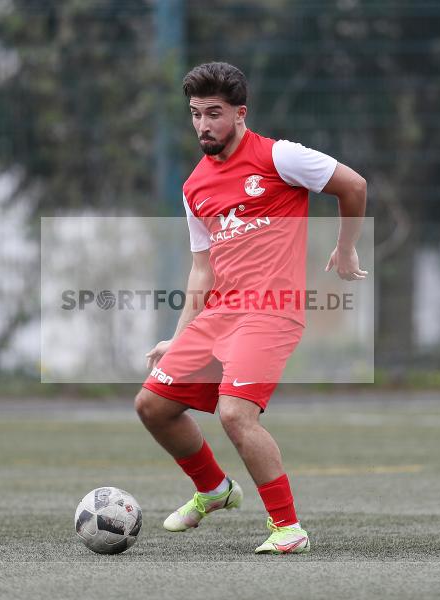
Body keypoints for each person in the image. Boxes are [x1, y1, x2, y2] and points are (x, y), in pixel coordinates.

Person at [134, 62, 367, 554]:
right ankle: (215, 489)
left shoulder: (280, 156)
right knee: (152, 405)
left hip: (272, 311)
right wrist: (180, 336)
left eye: (213, 114)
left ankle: (288, 528)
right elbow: (202, 270)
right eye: (195, 114)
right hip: (220, 312)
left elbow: (354, 185)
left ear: (240, 114)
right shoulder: (194, 186)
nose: (202, 125)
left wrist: (346, 247)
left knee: (235, 413)